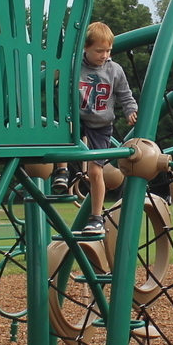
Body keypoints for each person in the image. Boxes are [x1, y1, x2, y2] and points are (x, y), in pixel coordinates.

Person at [60, 22, 137, 236]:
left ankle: (96, 218)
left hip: (102, 124)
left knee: (95, 171)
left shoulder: (114, 70)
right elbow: (56, 75)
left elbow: (125, 95)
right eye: (99, 51)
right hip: (79, 118)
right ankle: (62, 171)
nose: (104, 55)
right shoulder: (75, 65)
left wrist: (130, 110)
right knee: (65, 128)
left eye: (108, 51)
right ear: (86, 47)